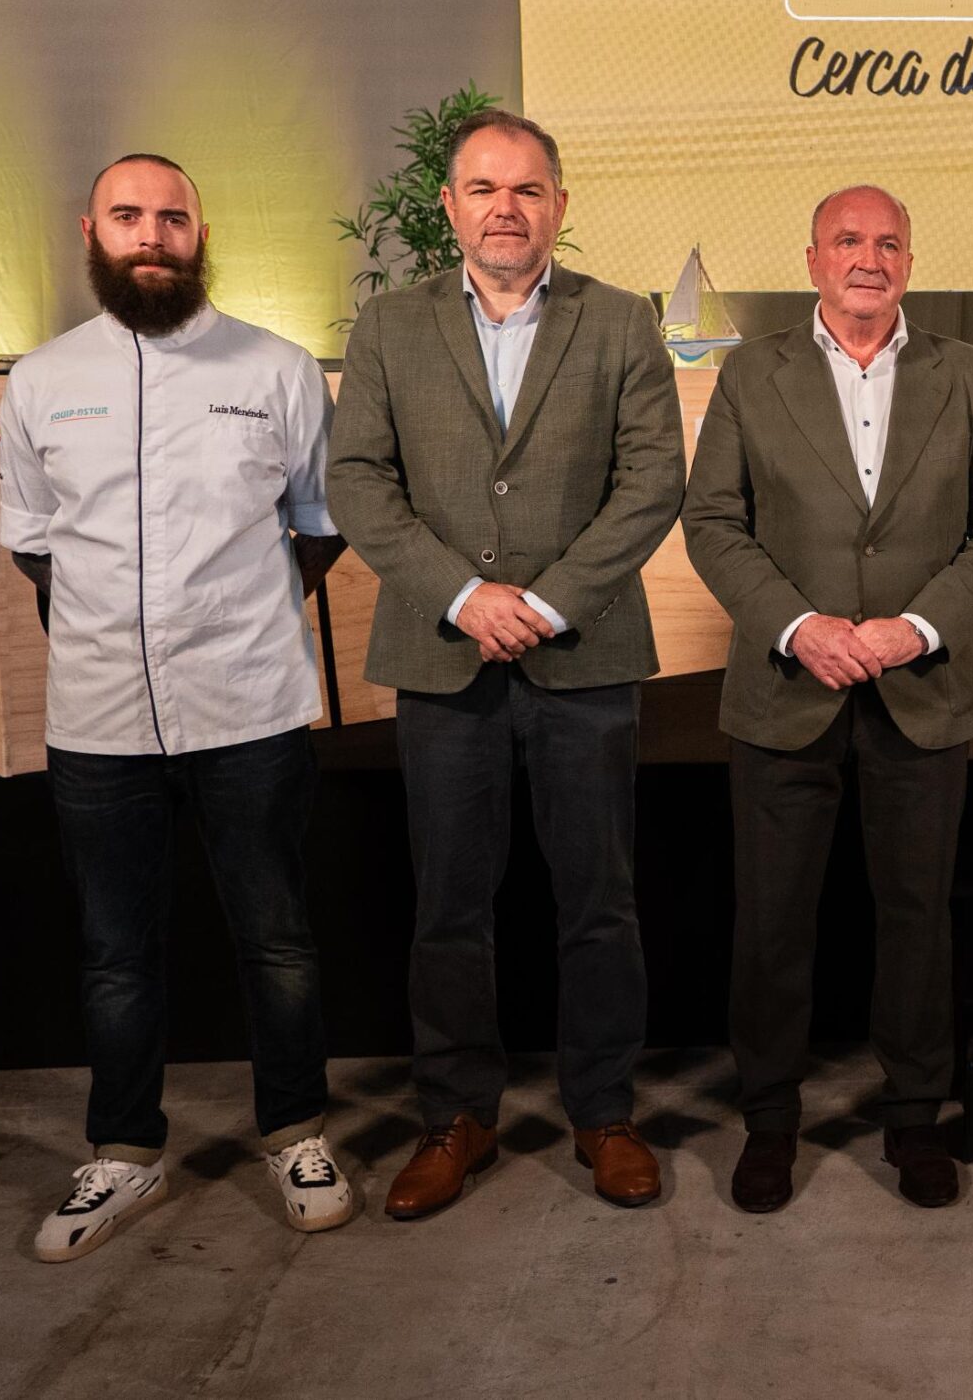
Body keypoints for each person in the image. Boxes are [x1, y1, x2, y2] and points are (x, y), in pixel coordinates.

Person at [327, 109, 685, 1219]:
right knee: (448, 905)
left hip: (586, 655)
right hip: (443, 657)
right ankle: (455, 1116)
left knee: (600, 903)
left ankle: (604, 1112)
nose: (505, 209)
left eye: (527, 189)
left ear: (559, 206)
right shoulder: (390, 325)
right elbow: (358, 481)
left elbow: (652, 480)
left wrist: (544, 602)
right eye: (483, 188)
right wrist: (462, 595)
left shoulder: (620, 321)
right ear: (450, 207)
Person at [0, 153, 353, 1260]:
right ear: (91, 232)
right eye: (128, 216)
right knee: (116, 951)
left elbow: (321, 523)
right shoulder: (42, 379)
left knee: (278, 939)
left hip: (250, 706)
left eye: (172, 217)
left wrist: (236, 615)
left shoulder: (280, 369)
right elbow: (33, 541)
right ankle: (124, 1152)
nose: (151, 234)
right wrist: (116, 628)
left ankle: (296, 1131)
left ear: (202, 234)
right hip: (98, 717)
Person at [682, 185, 973, 1213]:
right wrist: (800, 625)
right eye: (847, 240)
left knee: (918, 919)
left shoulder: (968, 373)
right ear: (813, 260)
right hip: (786, 687)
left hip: (923, 689)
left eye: (887, 242)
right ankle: (769, 1120)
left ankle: (915, 1117)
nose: (867, 258)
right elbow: (713, 522)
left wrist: (914, 627)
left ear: (909, 262)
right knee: (771, 921)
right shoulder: (752, 372)